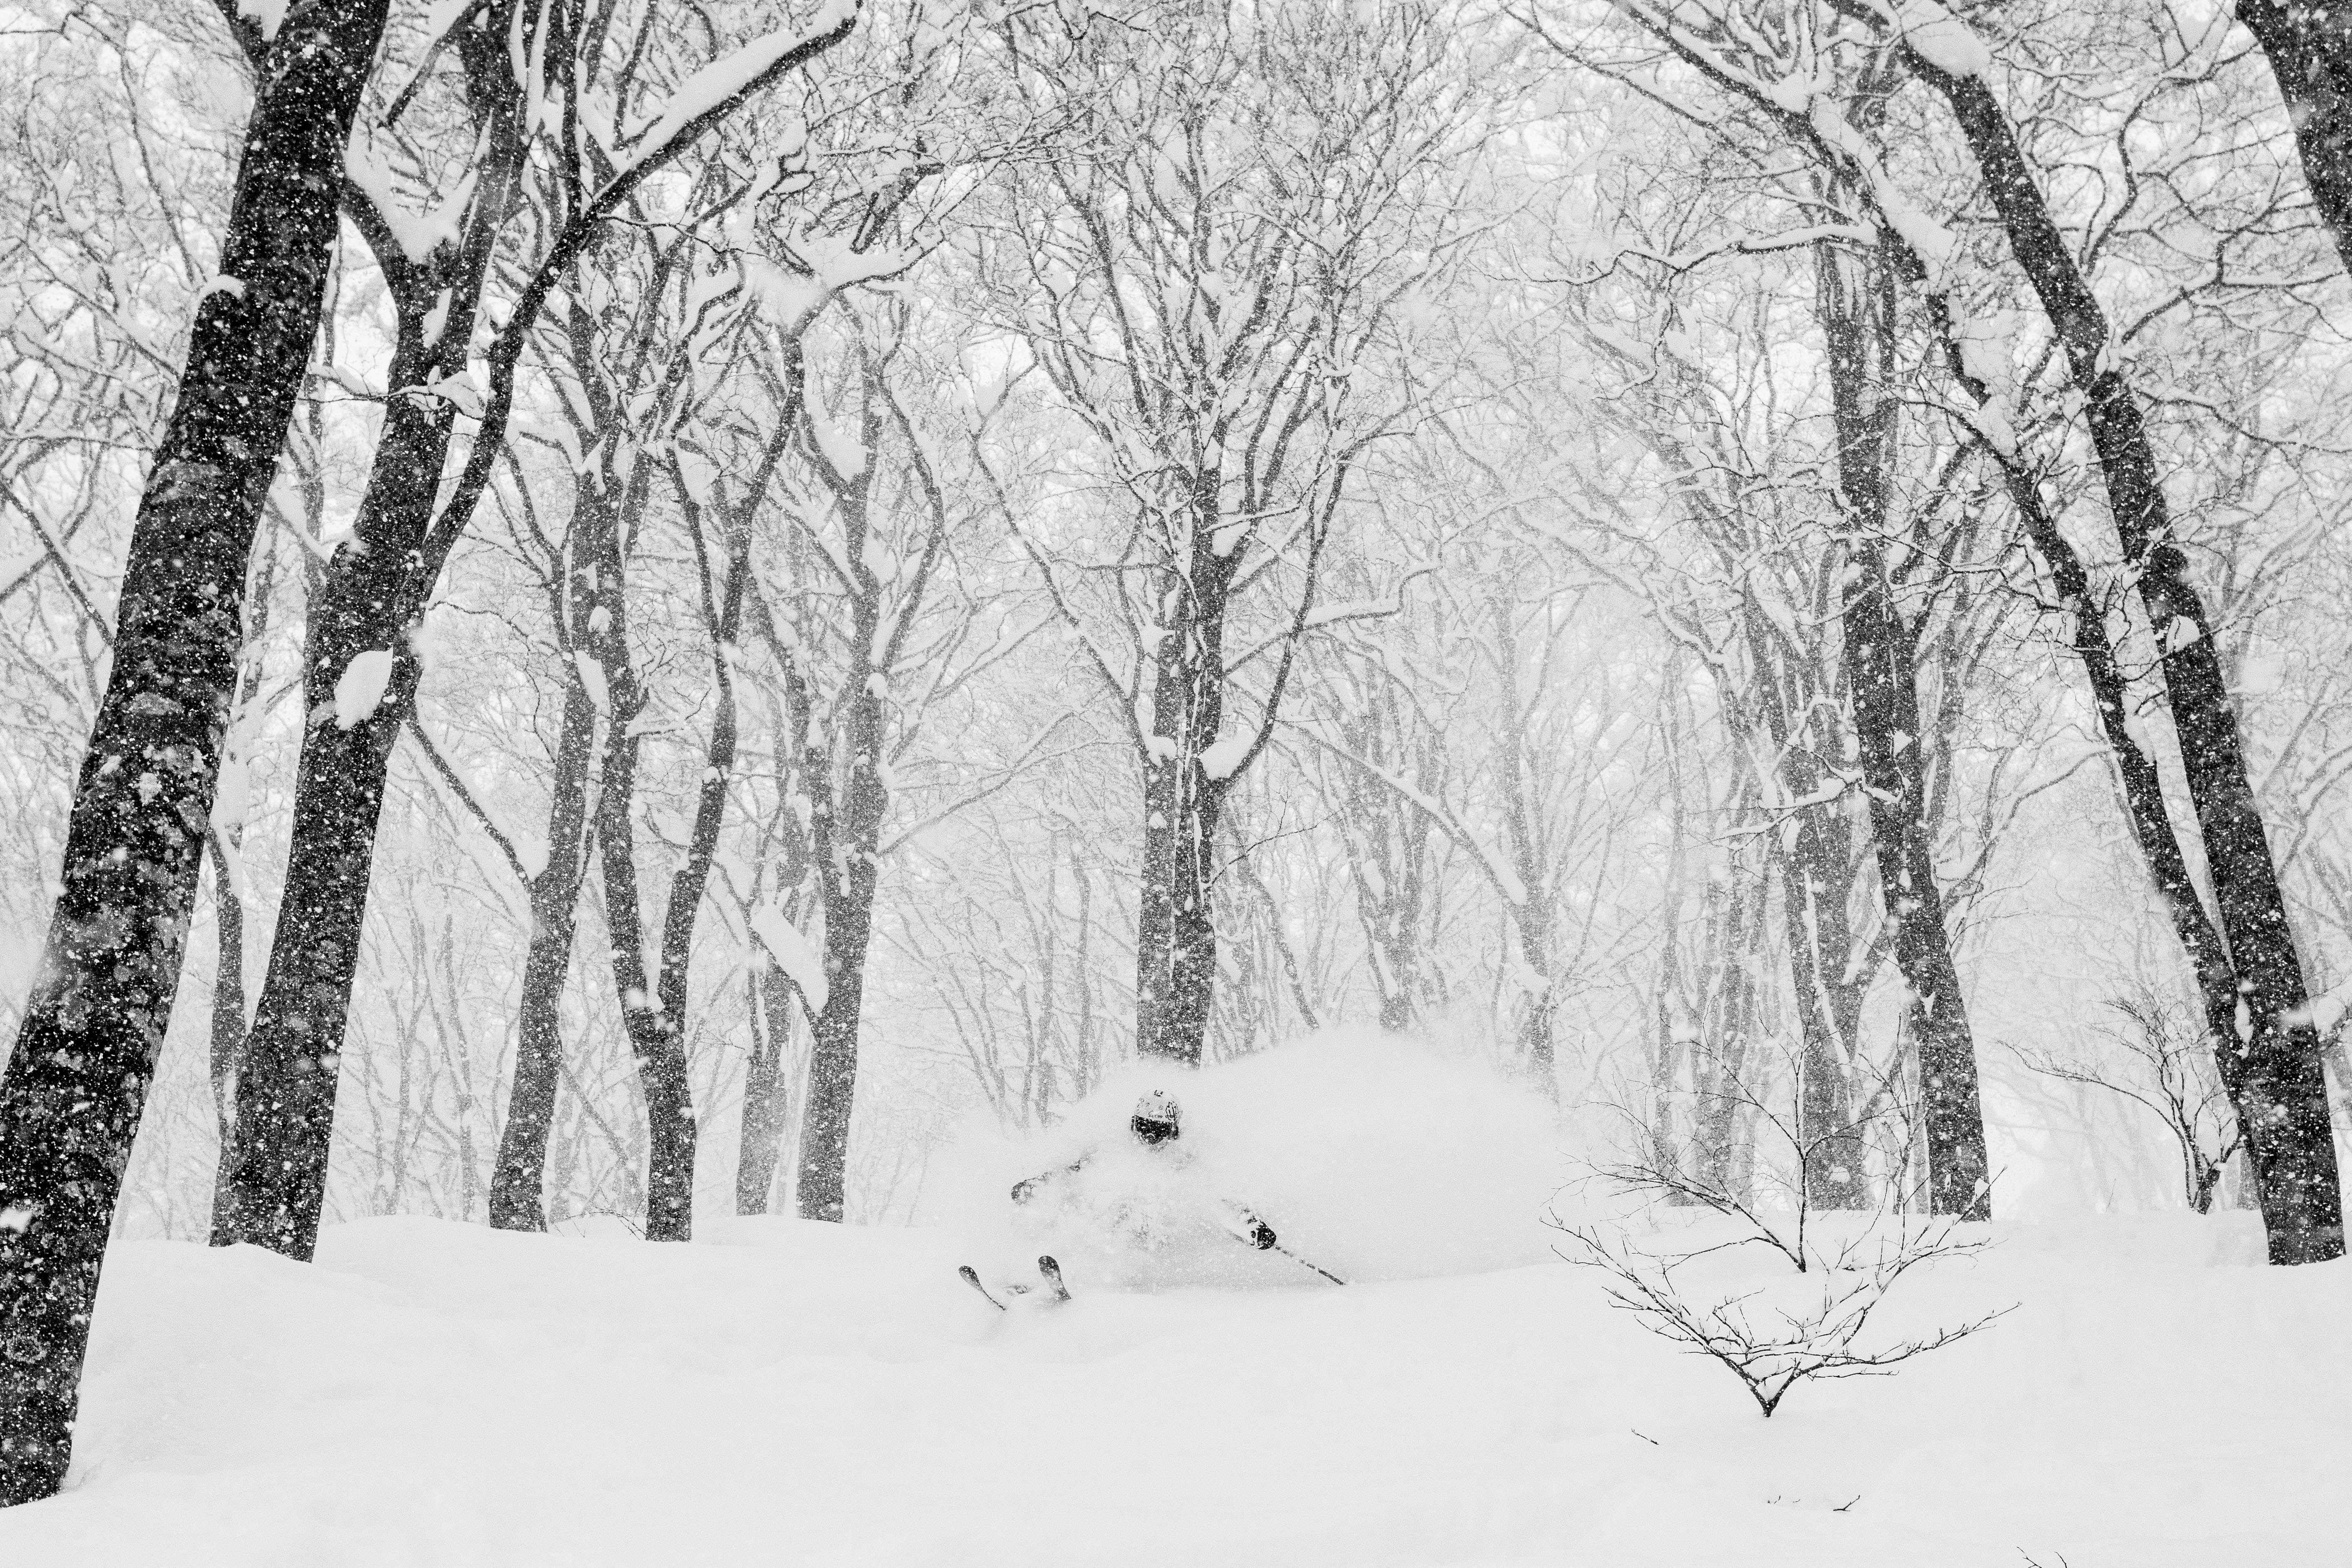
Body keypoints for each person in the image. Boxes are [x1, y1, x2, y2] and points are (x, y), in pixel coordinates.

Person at [1010, 1089, 1278, 1254]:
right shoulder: (1115, 1149)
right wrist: (1038, 1185)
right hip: (1108, 1236)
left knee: (1138, 1208)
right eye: (1143, 1127)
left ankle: (1102, 1269)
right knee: (1090, 1200)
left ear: (1173, 1130)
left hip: (1157, 1245)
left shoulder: (1185, 1161)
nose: (1149, 1137)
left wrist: (1254, 1227)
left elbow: (1216, 1201)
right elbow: (1074, 1172)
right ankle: (1051, 1261)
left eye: (1157, 1129)